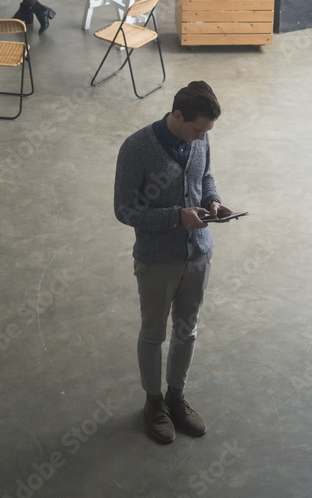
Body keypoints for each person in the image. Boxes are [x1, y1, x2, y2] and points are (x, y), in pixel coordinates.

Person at [114, 80, 233, 445]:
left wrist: (212, 201)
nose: (201, 138)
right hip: (157, 260)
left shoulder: (200, 138)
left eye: (206, 132)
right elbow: (125, 210)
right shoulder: (136, 149)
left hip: (199, 253)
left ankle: (175, 397)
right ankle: (154, 403)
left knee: (188, 330)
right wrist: (175, 218)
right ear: (176, 115)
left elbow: (205, 177)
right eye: (197, 130)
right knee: (153, 334)